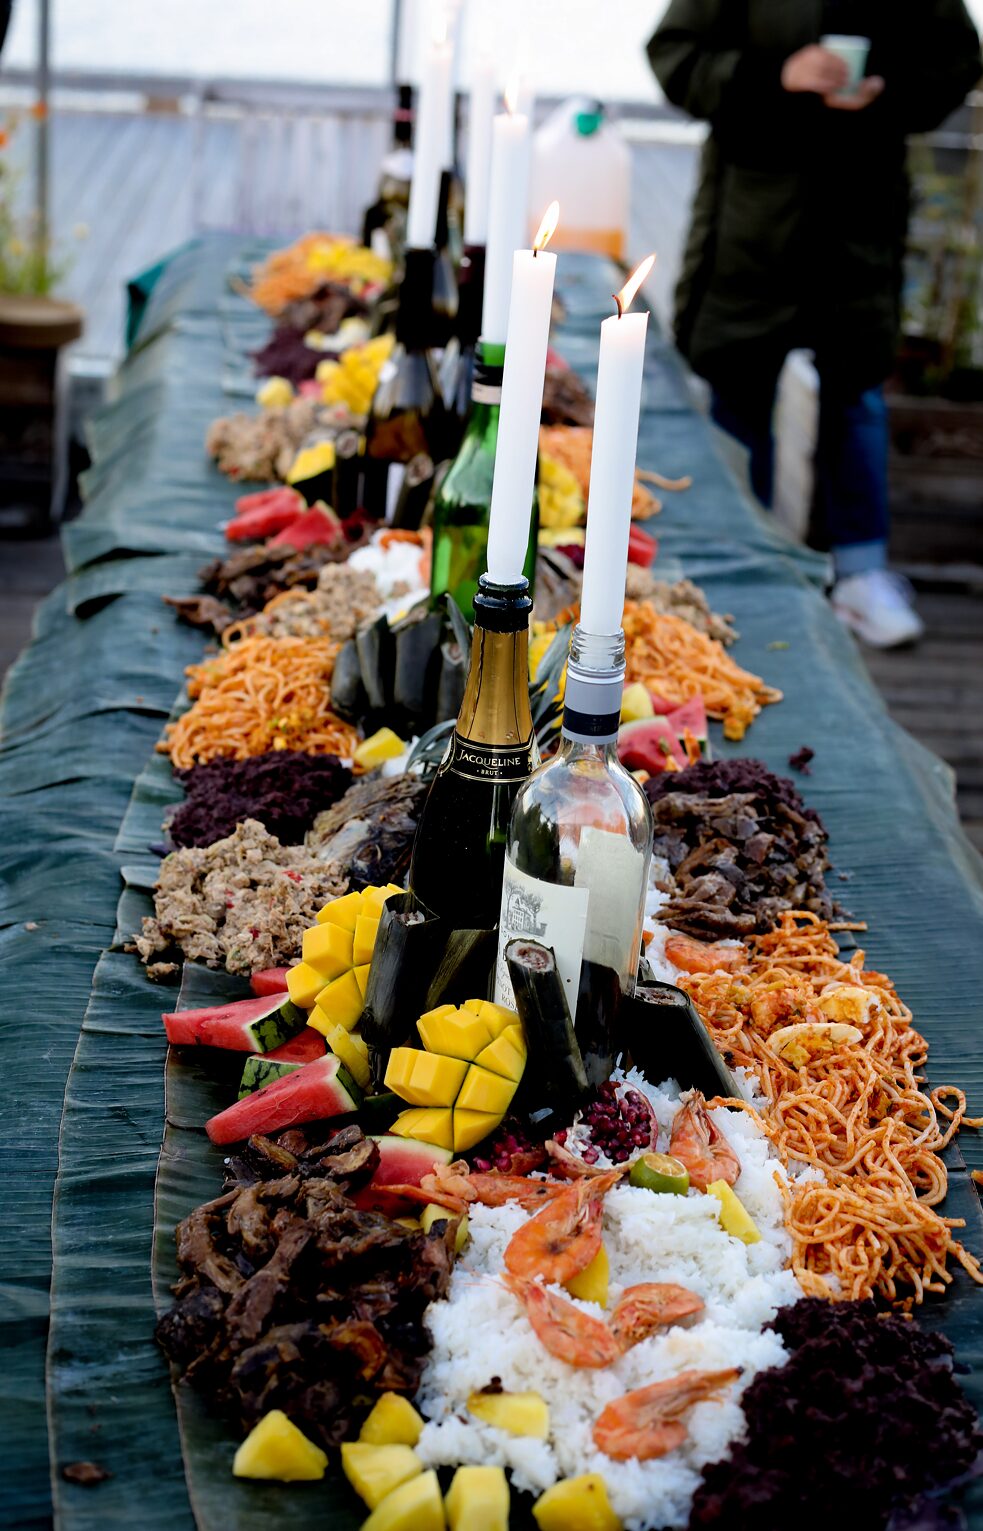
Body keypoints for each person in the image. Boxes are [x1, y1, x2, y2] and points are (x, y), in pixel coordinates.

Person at [648, 1, 982, 647]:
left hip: (860, 221)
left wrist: (889, 90)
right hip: (747, 224)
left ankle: (859, 573)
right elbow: (674, 58)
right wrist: (776, 75)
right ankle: (736, 571)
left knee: (857, 394)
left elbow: (956, 60)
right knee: (739, 394)